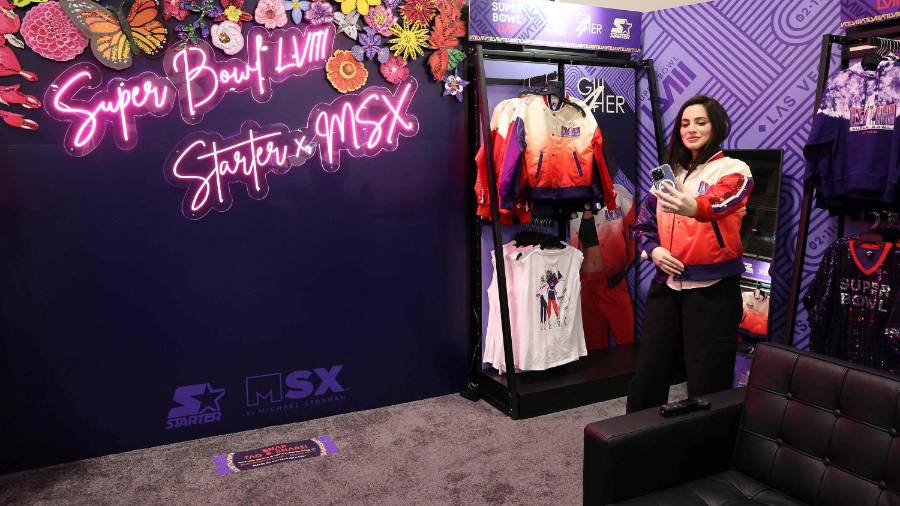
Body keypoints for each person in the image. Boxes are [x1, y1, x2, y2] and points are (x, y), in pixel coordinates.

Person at [626, 95, 753, 413]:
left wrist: (693, 205)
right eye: (685, 123)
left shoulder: (734, 168)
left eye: (700, 122)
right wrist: (652, 251)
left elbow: (722, 201)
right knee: (648, 373)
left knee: (708, 380)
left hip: (712, 291)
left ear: (716, 126)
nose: (691, 129)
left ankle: (706, 453)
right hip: (666, 286)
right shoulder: (665, 173)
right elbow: (643, 225)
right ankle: (634, 439)